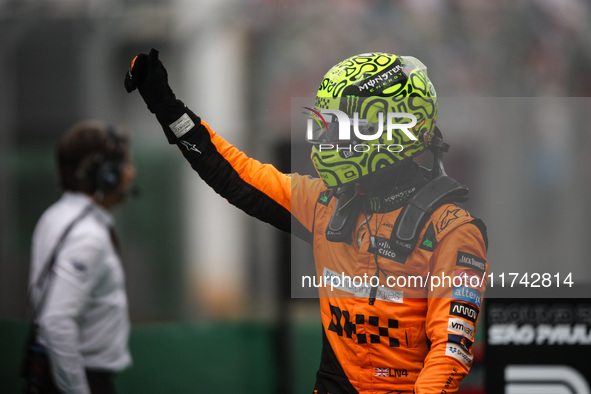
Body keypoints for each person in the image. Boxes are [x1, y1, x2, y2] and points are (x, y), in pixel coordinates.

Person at [125, 49, 488, 393]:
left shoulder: (453, 229)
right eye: (330, 125)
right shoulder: (323, 203)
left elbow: (450, 351)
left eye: (347, 127)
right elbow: (234, 175)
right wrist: (165, 105)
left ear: (393, 129)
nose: (332, 139)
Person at [25, 121, 136, 394]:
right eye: (124, 165)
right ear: (106, 175)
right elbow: (57, 321)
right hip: (81, 378)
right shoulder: (87, 237)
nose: (131, 173)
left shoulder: (56, 216)